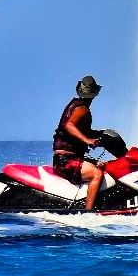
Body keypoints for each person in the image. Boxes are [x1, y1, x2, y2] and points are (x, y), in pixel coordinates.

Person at [52, 75, 106, 210]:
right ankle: (89, 213)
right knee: (97, 174)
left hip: (68, 158)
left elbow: (79, 131)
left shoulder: (75, 105)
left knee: (101, 165)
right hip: (65, 161)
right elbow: (69, 126)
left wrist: (102, 134)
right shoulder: (82, 109)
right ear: (94, 94)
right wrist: (88, 140)